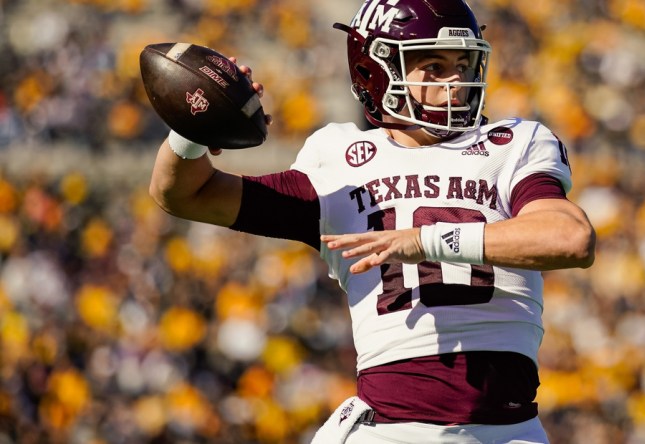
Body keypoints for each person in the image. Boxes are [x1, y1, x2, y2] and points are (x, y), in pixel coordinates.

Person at [149, 0, 595, 442]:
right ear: (374, 71)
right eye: (434, 67)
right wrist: (192, 127)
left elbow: (570, 238)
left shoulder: (512, 143)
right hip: (390, 432)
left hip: (511, 431)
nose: (456, 81)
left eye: (463, 63)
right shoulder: (339, 160)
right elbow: (185, 194)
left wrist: (427, 241)